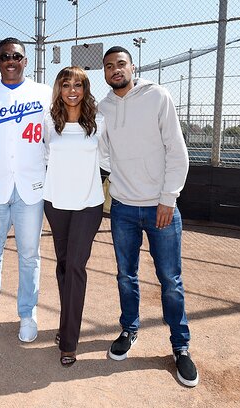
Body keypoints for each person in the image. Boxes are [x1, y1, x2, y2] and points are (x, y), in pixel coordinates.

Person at [99, 46, 199, 387]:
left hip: (160, 207)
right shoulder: (104, 107)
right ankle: (129, 329)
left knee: (170, 281)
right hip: (124, 208)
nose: (115, 70)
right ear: (105, 72)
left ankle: (181, 347)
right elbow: (102, 154)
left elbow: (177, 150)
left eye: (121, 64)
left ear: (132, 66)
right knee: (126, 276)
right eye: (109, 66)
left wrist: (167, 198)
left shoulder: (158, 96)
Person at [0, 37, 52, 342]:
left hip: (31, 188)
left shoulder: (44, 93)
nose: (11, 61)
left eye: (16, 56)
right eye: (5, 56)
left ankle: (27, 314)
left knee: (30, 255)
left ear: (25, 61)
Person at [43, 66, 105, 366]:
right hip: (56, 204)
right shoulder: (48, 123)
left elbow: (106, 159)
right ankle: (66, 323)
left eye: (78, 85)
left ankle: (69, 341)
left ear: (85, 89)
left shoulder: (98, 123)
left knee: (76, 266)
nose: (72, 90)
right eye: (66, 84)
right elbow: (43, 158)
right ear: (59, 88)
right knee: (64, 266)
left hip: (88, 205)